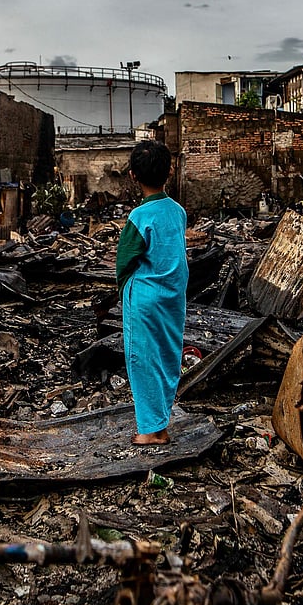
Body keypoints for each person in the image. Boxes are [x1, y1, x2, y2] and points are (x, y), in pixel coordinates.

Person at [116, 140, 189, 445]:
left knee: (143, 360)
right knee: (168, 356)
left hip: (145, 299)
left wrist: (125, 293)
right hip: (173, 296)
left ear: (133, 175)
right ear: (169, 172)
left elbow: (125, 261)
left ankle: (150, 431)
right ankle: (161, 422)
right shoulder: (178, 211)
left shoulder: (138, 217)